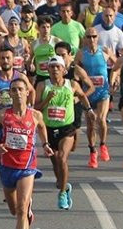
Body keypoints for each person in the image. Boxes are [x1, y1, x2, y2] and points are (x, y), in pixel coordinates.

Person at [0, 79, 54, 229]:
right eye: (13, 90)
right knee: (14, 210)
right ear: (11, 94)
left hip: (27, 167)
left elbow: (41, 128)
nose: (17, 93)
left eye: (20, 89)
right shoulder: (2, 115)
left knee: (22, 209)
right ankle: (25, 211)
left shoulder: (35, 115)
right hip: (7, 167)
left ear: (26, 92)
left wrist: (46, 145)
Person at [34, 56, 94, 209]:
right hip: (48, 128)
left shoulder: (72, 84)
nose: (55, 69)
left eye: (58, 67)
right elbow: (36, 108)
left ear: (64, 70)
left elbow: (82, 96)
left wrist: (89, 110)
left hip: (67, 128)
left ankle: (61, 193)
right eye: (52, 67)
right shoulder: (42, 85)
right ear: (47, 70)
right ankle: (64, 185)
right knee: (55, 161)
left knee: (62, 157)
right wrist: (48, 99)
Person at [76, 29, 116, 168]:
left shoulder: (104, 50)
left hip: (103, 92)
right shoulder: (81, 53)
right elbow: (75, 70)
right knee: (91, 124)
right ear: (85, 38)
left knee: (101, 119)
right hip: (88, 93)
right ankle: (93, 151)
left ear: (97, 37)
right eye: (89, 37)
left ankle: (103, 145)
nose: (92, 39)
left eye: (94, 36)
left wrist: (114, 80)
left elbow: (117, 66)